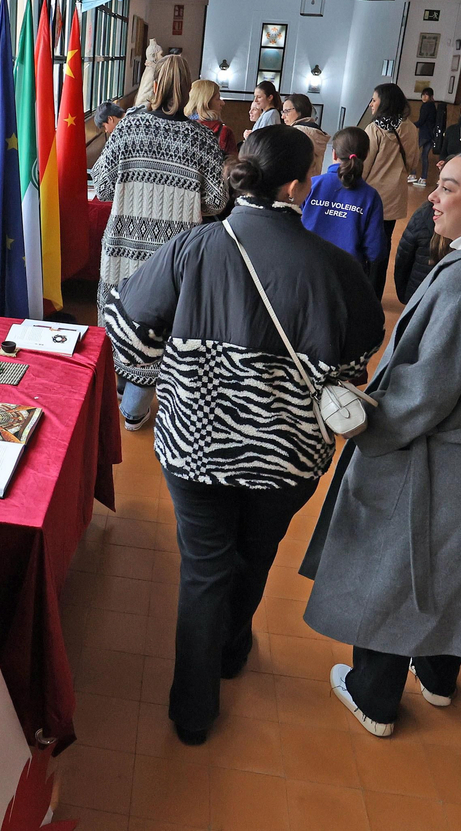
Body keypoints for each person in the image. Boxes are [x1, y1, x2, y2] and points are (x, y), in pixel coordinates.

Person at [102, 125, 383, 745]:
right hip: (287, 459)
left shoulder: (191, 247)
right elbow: (354, 365)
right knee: (254, 555)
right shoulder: (335, 267)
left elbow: (129, 335)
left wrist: (175, 371)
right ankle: (232, 651)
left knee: (203, 568)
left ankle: (193, 711)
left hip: (195, 448)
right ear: (297, 185)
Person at [301, 147, 461, 738]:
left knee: (398, 573)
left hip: (442, 457)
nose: (433, 198)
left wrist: (365, 424)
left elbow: (427, 389)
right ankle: (439, 680)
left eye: (447, 188)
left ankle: (374, 697)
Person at [93, 54, 229, 431]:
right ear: (187, 93)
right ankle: (134, 412)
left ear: (152, 87)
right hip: (173, 259)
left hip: (123, 248)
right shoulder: (203, 138)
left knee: (117, 319)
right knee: (159, 328)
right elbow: (218, 201)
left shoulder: (127, 127)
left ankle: (110, 400)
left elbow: (103, 186)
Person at [361, 83, 420, 296]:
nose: (371, 104)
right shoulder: (411, 128)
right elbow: (413, 162)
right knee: (383, 246)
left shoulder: (374, 129)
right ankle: (375, 294)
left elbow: (364, 167)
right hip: (394, 198)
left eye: (374, 100)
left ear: (384, 103)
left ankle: (361, 292)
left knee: (363, 245)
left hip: (371, 198)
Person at [301, 126, 384, 272]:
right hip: (347, 275)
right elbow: (375, 250)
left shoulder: (312, 184)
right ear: (366, 155)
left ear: (333, 154)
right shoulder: (371, 196)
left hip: (307, 267)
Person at [392, 201, 441, 304]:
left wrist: (403, 294)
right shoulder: (423, 215)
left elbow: (403, 259)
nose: (431, 196)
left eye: (446, 189)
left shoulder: (423, 215)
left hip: (417, 295)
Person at [282, 93, 330, 180]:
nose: (283, 116)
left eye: (286, 111)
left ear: (300, 111)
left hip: (296, 187)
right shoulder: (315, 131)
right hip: (311, 185)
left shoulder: (297, 134)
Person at [187, 79, 238, 156]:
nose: (222, 103)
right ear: (206, 102)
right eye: (218, 99)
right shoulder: (224, 132)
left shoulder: (179, 128)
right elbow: (232, 165)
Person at [413, 88, 440, 186]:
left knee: (414, 153)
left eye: (426, 95)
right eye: (423, 95)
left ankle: (412, 174)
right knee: (424, 156)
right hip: (431, 135)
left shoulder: (425, 106)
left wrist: (411, 125)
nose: (424, 97)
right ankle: (423, 178)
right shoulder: (433, 106)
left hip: (424, 134)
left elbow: (421, 121)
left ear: (430, 96)